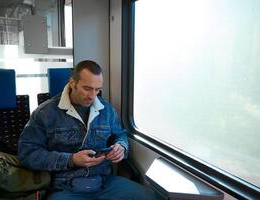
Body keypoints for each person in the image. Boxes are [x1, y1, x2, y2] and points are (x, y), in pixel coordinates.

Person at [18, 60, 160, 200]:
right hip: (66, 186)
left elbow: (120, 135)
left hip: (104, 182)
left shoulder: (107, 110)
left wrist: (121, 146)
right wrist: (71, 160)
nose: (93, 96)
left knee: (151, 197)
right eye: (87, 88)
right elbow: (27, 154)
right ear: (72, 83)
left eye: (97, 89)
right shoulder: (45, 113)